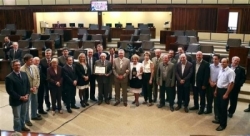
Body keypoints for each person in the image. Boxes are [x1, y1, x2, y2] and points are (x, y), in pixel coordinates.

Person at [5, 60, 30, 132]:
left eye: (19, 65)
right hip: (16, 100)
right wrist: (20, 97)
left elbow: (28, 86)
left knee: (23, 114)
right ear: (12, 66)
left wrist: (27, 94)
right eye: (16, 65)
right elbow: (10, 91)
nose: (18, 66)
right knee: (17, 117)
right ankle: (17, 130)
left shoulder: (24, 74)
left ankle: (22, 126)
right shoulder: (9, 77)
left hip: (25, 99)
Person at [213, 58, 235, 131]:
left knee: (223, 109)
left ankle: (223, 125)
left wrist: (226, 94)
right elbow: (218, 81)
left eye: (224, 62)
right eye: (222, 62)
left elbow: (231, 84)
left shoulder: (230, 72)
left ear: (228, 63)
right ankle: (219, 120)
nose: (222, 64)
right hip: (218, 90)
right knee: (218, 106)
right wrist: (216, 90)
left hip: (224, 91)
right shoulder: (220, 70)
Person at [20, 54, 41, 127]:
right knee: (26, 106)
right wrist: (29, 88)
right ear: (26, 61)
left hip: (35, 89)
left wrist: (36, 86)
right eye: (30, 60)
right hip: (27, 91)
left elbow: (38, 77)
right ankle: (27, 120)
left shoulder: (35, 67)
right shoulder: (21, 69)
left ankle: (34, 115)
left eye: (32, 59)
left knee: (35, 103)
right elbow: (21, 82)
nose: (32, 61)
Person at [206, 54, 221, 119]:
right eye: (213, 59)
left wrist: (215, 83)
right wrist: (210, 82)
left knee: (216, 101)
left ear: (219, 59)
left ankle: (216, 114)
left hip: (217, 85)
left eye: (216, 59)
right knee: (209, 98)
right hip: (210, 84)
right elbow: (208, 74)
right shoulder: (210, 66)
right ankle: (209, 110)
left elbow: (221, 77)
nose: (214, 60)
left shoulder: (221, 67)